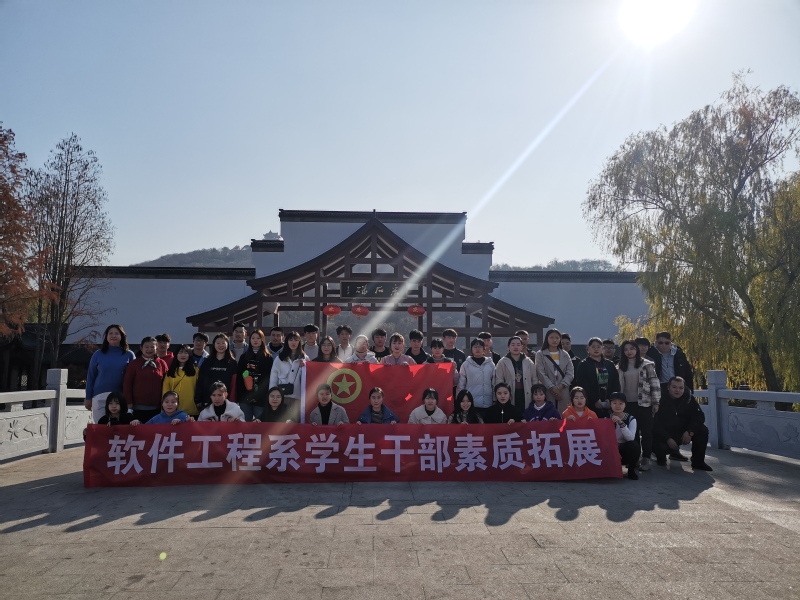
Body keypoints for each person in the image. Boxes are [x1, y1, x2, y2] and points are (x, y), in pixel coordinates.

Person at [617, 340, 660, 471]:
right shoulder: (620, 366)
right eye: (626, 349)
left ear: (636, 349)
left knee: (646, 432)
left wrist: (656, 402)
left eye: (631, 348)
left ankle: (646, 458)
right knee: (632, 432)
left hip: (644, 402)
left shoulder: (647, 364)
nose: (629, 351)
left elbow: (655, 383)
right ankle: (635, 458)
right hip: (627, 404)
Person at [653, 377, 712, 470]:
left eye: (681, 388)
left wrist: (690, 431)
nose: (677, 390)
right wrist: (667, 438)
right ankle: (660, 457)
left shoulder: (689, 399)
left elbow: (699, 416)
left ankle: (698, 462)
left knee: (702, 430)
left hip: (682, 432)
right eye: (674, 387)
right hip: (664, 434)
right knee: (660, 447)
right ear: (668, 387)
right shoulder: (659, 399)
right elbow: (654, 423)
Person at [85, 324, 136, 423]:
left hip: (120, 398)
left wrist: (130, 399)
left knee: (119, 428)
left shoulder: (129, 354)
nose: (113, 336)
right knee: (100, 427)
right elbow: (91, 377)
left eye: (116, 333)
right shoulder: (98, 354)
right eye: (110, 333)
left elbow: (133, 379)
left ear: (122, 336)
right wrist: (88, 398)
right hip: (99, 396)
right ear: (106, 336)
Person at [123, 336, 170, 423]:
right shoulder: (134, 364)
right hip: (137, 408)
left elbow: (167, 383)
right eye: (146, 347)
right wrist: (129, 402)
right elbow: (127, 384)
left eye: (152, 347)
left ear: (156, 348)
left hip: (157, 408)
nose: (149, 349)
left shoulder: (162, 363)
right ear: (141, 348)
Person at [574, 337, 621, 418]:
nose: (596, 349)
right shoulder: (583, 364)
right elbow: (582, 384)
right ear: (588, 349)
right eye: (593, 347)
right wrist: (595, 399)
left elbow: (615, 383)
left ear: (602, 348)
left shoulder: (609, 364)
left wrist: (611, 399)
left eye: (599, 347)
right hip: (591, 403)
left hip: (608, 404)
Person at [534, 329, 575, 414]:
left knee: (563, 414)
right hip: (547, 390)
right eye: (551, 337)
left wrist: (560, 386)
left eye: (557, 338)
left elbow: (570, 372)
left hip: (563, 389)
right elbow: (540, 373)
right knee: (548, 415)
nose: (554, 340)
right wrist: (552, 387)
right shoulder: (540, 354)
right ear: (547, 339)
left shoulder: (565, 354)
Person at [195, 333, 238, 412]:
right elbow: (201, 381)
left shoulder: (232, 363)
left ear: (227, 345)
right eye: (218, 343)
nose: (220, 345)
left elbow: (234, 384)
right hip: (207, 401)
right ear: (214, 345)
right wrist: (198, 399)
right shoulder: (207, 362)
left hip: (226, 402)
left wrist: (232, 401)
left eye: (223, 343)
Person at [237, 329, 274, 421]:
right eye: (253, 338)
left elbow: (270, 378)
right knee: (245, 423)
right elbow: (239, 378)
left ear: (262, 340)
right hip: (245, 397)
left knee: (259, 423)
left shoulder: (268, 358)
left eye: (258, 338)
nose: (255, 340)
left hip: (261, 397)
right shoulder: (244, 357)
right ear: (250, 340)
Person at [495, 336, 536, 414]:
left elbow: (534, 379)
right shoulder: (502, 362)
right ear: (508, 347)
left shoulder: (528, 361)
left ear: (522, 346)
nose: (515, 347)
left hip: (525, 392)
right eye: (513, 345)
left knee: (525, 414)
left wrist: (534, 392)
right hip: (509, 392)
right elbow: (499, 380)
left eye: (518, 344)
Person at [457, 338, 495, 417]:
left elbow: (494, 383)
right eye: (475, 347)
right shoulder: (466, 364)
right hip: (471, 402)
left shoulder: (490, 364)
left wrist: (495, 399)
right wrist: (459, 399)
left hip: (488, 401)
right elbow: (461, 384)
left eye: (480, 347)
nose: (477, 349)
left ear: (484, 348)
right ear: (471, 349)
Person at [269, 331, 307, 409]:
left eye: (296, 340)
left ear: (299, 342)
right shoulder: (279, 358)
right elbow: (273, 379)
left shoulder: (304, 358)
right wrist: (272, 395)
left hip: (298, 397)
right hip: (281, 396)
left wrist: (305, 365)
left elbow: (308, 378)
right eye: (291, 340)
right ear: (287, 342)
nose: (293, 342)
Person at [608, 392, 640, 480]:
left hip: (624, 449)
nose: (617, 406)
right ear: (610, 404)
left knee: (634, 446)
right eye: (614, 403)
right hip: (610, 449)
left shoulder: (631, 419)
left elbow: (630, 438)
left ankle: (631, 470)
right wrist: (614, 450)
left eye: (621, 403)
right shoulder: (606, 418)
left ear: (625, 405)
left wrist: (621, 423)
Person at [162, 345, 200, 417]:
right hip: (174, 409)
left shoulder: (195, 370)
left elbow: (200, 388)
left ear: (189, 355)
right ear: (176, 355)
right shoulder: (171, 371)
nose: (183, 355)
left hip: (191, 408)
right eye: (180, 353)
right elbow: (165, 390)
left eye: (186, 353)